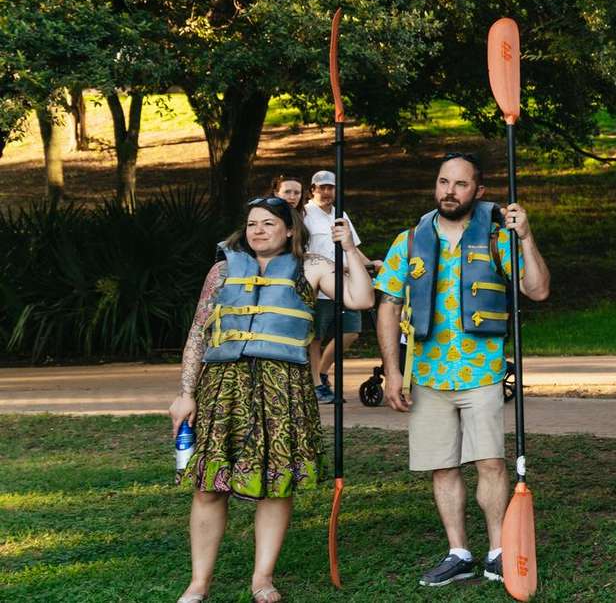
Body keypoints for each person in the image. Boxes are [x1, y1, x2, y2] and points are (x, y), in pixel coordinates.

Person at [170, 195, 374, 603]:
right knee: (209, 486)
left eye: (267, 223)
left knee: (276, 485)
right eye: (251, 224)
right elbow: (198, 333)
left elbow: (361, 299)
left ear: (289, 229)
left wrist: (349, 248)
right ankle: (198, 583)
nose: (258, 231)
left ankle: (262, 579)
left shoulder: (312, 267)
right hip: (222, 387)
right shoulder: (222, 270)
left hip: (284, 388)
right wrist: (185, 393)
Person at [373, 152, 551, 587]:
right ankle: (458, 552)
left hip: (481, 372)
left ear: (479, 191)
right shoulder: (410, 240)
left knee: (489, 463)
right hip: (427, 375)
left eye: (460, 184)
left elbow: (538, 289)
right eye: (442, 182)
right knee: (442, 466)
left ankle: (497, 551)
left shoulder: (497, 238)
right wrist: (392, 372)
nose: (448, 191)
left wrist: (525, 237)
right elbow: (388, 304)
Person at [305, 169, 371, 404]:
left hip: (345, 284)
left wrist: (370, 264)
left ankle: (322, 372)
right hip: (318, 287)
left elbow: (351, 246)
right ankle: (316, 385)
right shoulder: (305, 214)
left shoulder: (340, 214)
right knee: (315, 338)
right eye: (321, 187)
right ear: (312, 189)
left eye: (330, 187)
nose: (326, 191)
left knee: (351, 331)